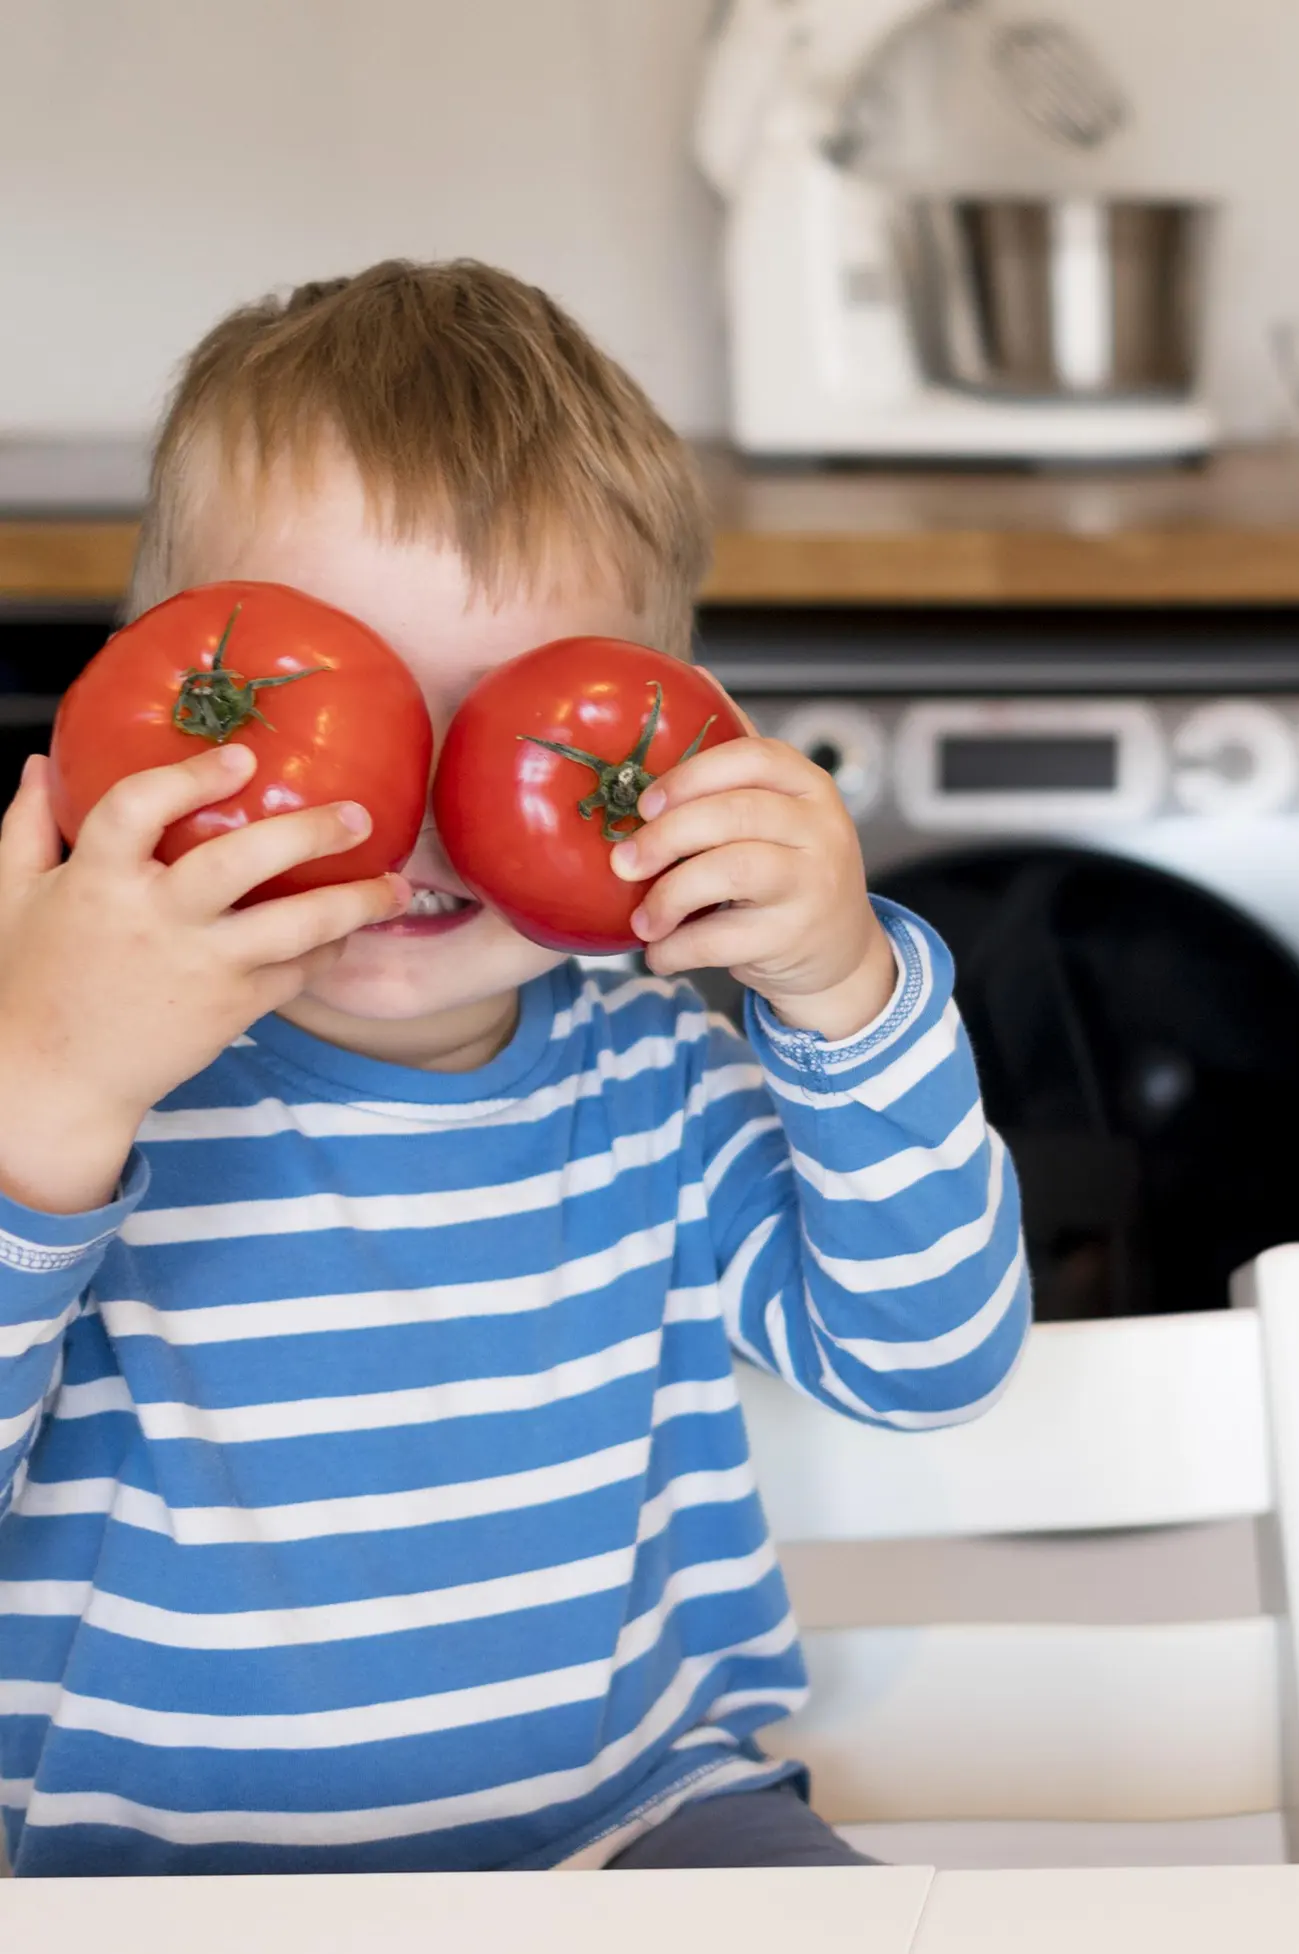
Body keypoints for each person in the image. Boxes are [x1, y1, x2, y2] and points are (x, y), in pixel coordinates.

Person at [0, 261, 1029, 1873]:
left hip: (632, 1833)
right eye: (316, 707)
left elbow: (930, 1355)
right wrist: (43, 1098)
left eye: (513, 723)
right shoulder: (66, 1075)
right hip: (152, 1882)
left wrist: (843, 991)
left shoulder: (661, 1076)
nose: (409, 820)